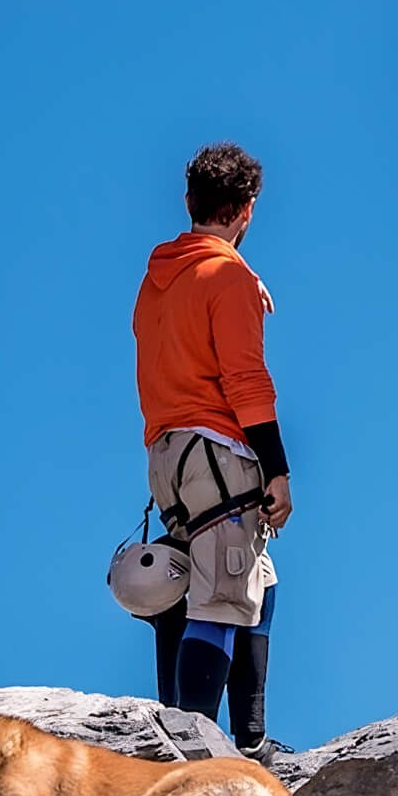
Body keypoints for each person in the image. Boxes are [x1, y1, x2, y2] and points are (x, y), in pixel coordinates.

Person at [133, 142, 294, 752]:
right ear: (247, 208)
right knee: (221, 599)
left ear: (190, 202)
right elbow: (246, 380)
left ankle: (249, 740)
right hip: (219, 452)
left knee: (253, 585)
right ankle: (191, 754)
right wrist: (276, 470)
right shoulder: (227, 276)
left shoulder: (160, 278)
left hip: (168, 455)